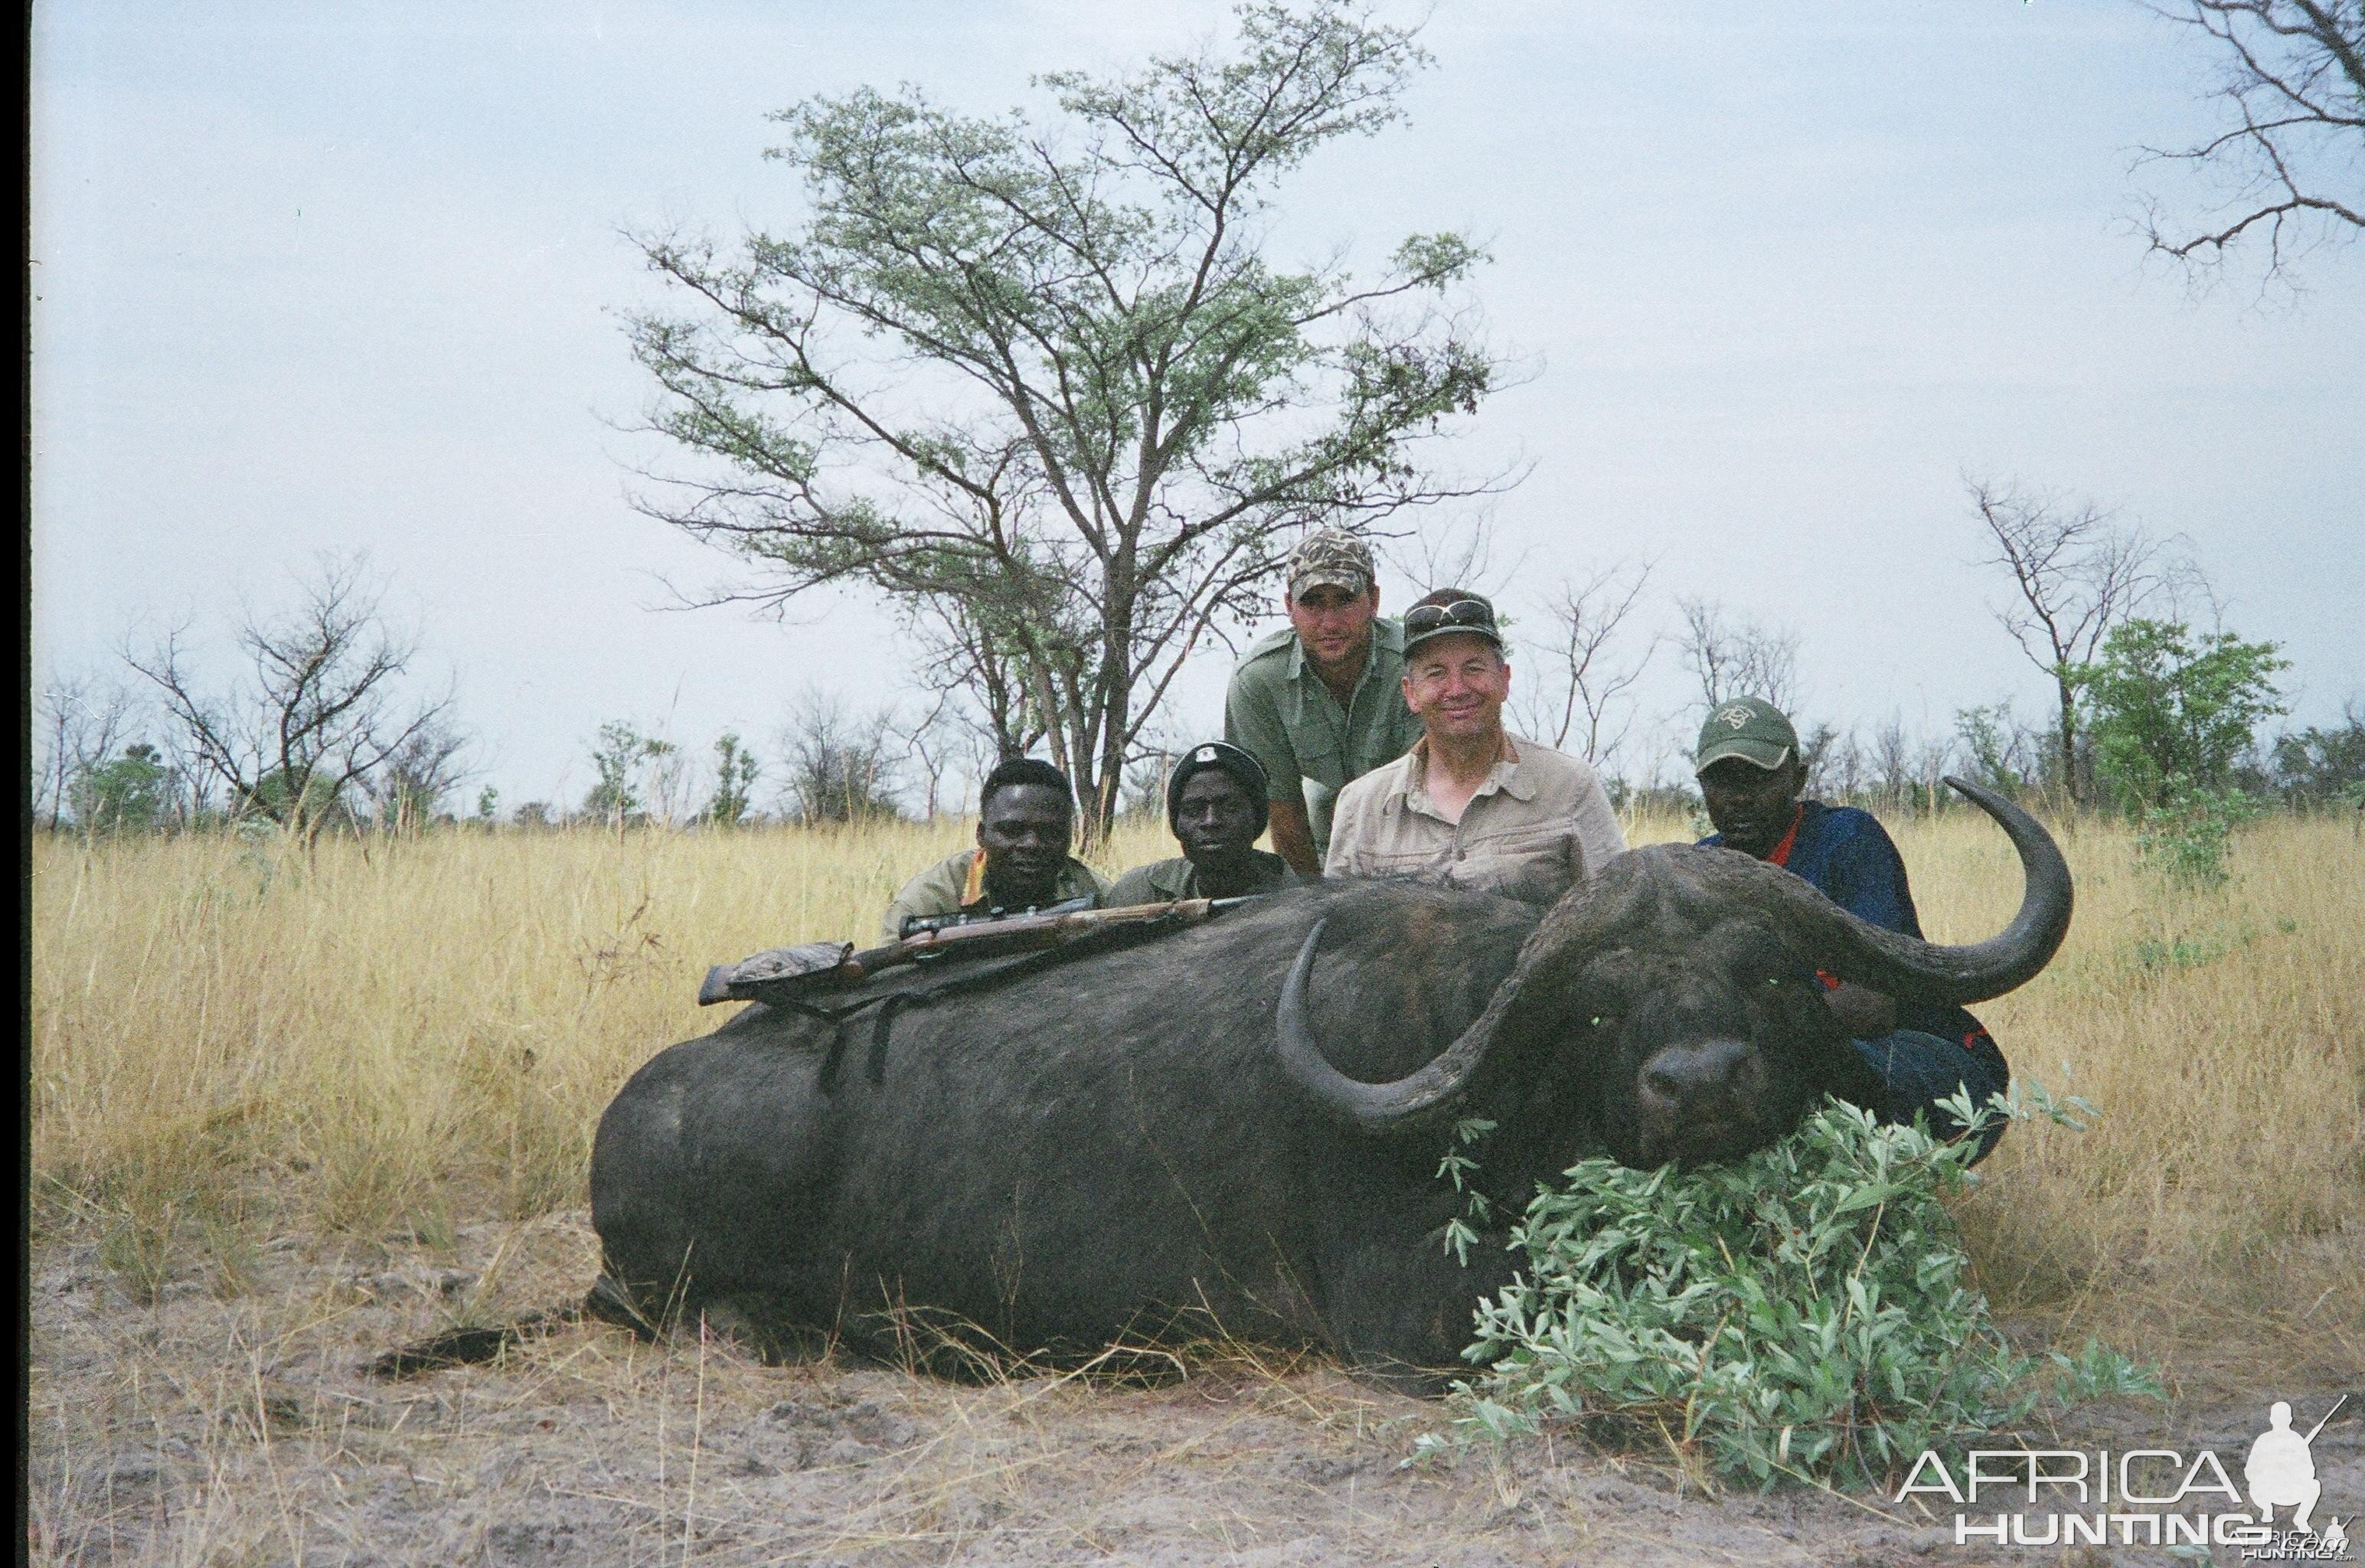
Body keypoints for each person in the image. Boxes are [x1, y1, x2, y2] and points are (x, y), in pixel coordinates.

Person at [1693, 696, 2013, 1158]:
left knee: (1797, 1083)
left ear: (1797, 779)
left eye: (1758, 778)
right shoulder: (1697, 866)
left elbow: (1872, 1008)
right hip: (1775, 1052)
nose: (1738, 797)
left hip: (1921, 1055)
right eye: (1722, 780)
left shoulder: (1847, 840)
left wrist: (1738, 1037)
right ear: (1702, 785)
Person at [1325, 590, 1626, 904]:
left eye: (1474, 668)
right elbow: (1335, 938)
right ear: (1410, 693)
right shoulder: (1362, 806)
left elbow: (1620, 915)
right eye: (1436, 673)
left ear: (1504, 680)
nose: (1457, 689)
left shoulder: (1571, 786)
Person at [1224, 528, 1425, 878]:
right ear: (1289, 606)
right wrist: (1314, 899)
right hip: (1323, 834)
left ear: (1373, 600)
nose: (1329, 623)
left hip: (1414, 828)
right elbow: (1283, 810)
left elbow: (1435, 785)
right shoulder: (1257, 680)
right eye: (1312, 604)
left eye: (1345, 601)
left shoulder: (1415, 662)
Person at [880, 757, 1109, 941]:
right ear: (981, 834)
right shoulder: (931, 899)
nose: (1032, 844)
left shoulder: (1095, 893)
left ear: (1070, 836)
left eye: (1050, 832)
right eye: (1012, 830)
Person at [1104, 742, 1295, 907]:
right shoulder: (1139, 893)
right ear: (1176, 825)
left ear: (1257, 818)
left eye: (1229, 808)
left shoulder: (1297, 897)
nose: (1210, 822)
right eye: (1194, 811)